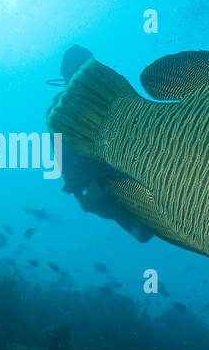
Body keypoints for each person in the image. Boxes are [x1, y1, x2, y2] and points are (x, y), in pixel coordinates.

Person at [46, 45, 155, 243]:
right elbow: (64, 157)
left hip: (129, 176)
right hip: (102, 188)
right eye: (77, 69)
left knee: (158, 226)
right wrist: (81, 192)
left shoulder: (111, 99)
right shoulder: (59, 111)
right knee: (146, 231)